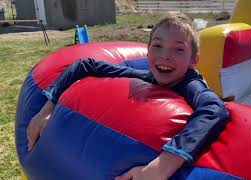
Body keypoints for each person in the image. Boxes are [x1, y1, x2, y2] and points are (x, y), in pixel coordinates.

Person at [27, 14, 230, 180]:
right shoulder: (148, 75)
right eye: (157, 46)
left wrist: (161, 166)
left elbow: (215, 109)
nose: (165, 56)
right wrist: (47, 109)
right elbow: (84, 65)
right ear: (147, 50)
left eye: (178, 49)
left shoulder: (191, 85)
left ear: (194, 60)